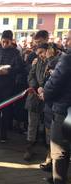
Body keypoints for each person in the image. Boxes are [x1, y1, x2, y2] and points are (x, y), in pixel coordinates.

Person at [42, 31, 71, 184]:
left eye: (67, 39)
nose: (64, 42)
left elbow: (54, 84)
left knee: (59, 150)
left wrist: (45, 94)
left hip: (64, 111)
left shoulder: (67, 58)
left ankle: (59, 180)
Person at [0, 30, 23, 143]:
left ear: (11, 41)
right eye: (3, 41)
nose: (5, 44)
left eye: (7, 42)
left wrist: (8, 72)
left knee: (6, 110)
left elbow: (19, 68)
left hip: (8, 85)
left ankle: (3, 135)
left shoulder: (16, 53)